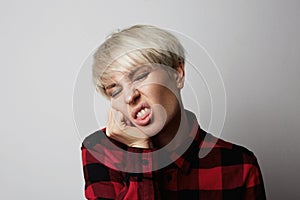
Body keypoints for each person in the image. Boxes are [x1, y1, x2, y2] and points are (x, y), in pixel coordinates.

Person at [81, 25, 266, 200]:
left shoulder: (240, 166)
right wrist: (138, 148)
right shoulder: (100, 150)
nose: (129, 97)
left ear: (178, 73)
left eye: (140, 76)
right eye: (115, 91)